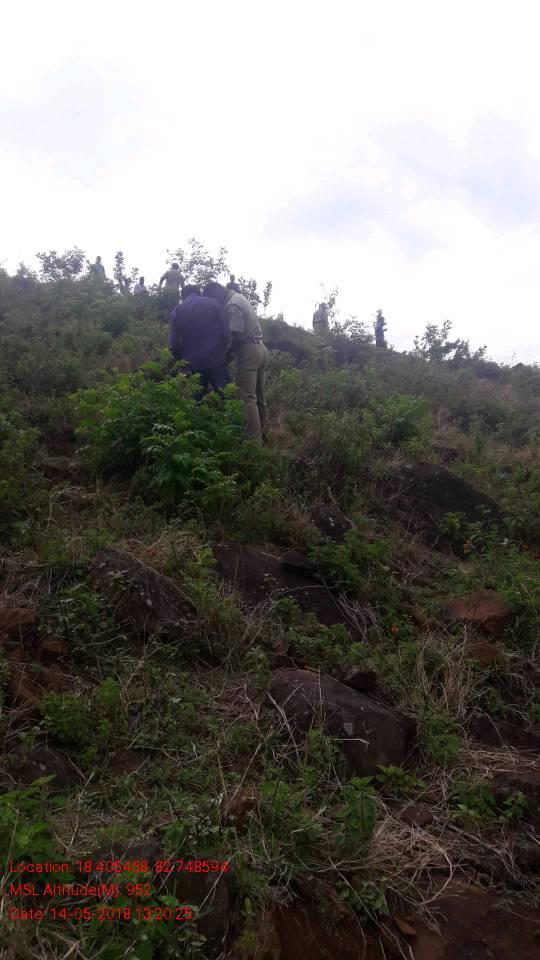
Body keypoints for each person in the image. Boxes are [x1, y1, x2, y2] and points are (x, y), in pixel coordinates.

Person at [203, 281, 268, 441]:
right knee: (259, 396)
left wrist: (225, 356)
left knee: (247, 397)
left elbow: (237, 337)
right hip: (261, 347)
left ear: (216, 294)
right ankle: (263, 433)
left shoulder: (232, 304)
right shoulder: (239, 297)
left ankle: (253, 442)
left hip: (249, 351)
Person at [169, 284, 230, 395]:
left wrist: (181, 360)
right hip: (216, 360)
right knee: (227, 398)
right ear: (199, 293)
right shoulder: (214, 303)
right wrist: (225, 353)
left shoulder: (177, 311)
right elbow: (226, 333)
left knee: (195, 402)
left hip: (192, 364)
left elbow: (174, 344)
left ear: (182, 296)